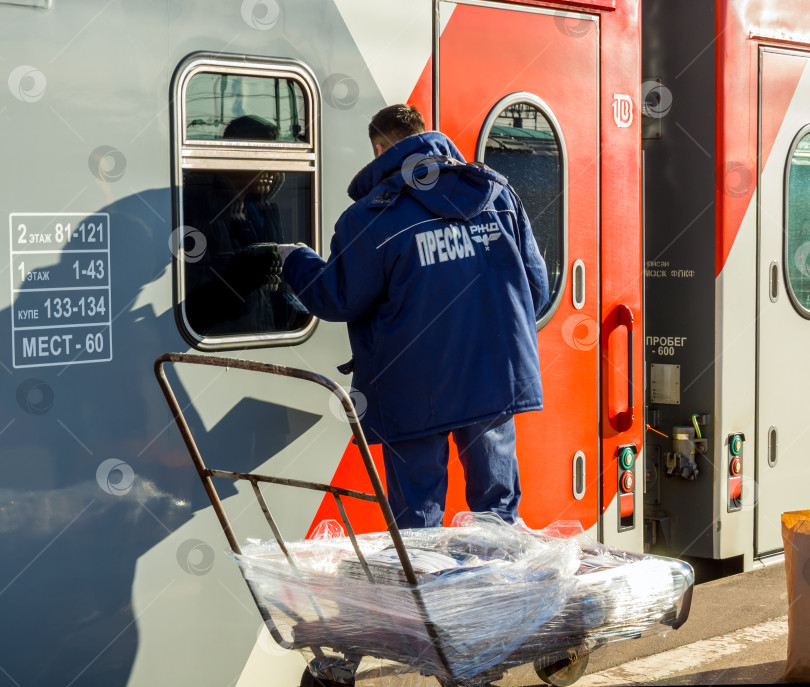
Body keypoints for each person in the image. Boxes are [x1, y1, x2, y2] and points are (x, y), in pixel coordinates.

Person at [276, 104, 548, 528]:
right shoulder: (497, 194)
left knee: (418, 522)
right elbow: (536, 290)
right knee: (498, 513)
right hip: (494, 378)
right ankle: (500, 592)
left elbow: (337, 299)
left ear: (381, 148)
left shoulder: (371, 217)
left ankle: (428, 593)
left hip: (414, 386)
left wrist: (294, 259)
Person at [184, 115, 308, 336]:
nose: (273, 169)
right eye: (263, 158)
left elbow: (273, 289)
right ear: (235, 158)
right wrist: (245, 273)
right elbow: (196, 306)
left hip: (260, 335)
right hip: (224, 340)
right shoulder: (203, 209)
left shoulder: (259, 211)